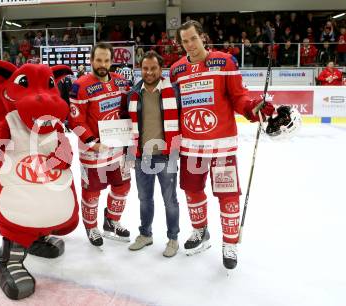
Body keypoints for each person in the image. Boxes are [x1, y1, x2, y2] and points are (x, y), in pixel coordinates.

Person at [170, 20, 274, 269]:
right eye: (184, 41)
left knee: (228, 195)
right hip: (191, 148)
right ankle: (201, 232)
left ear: (202, 37)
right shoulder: (176, 70)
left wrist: (252, 108)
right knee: (193, 192)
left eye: (193, 38)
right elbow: (174, 109)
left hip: (221, 146)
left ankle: (230, 244)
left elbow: (239, 98)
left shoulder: (223, 62)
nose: (190, 45)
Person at [68, 42, 131, 247]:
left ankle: (112, 220)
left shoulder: (121, 82)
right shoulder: (80, 85)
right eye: (98, 60)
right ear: (91, 60)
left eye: (106, 60)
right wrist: (92, 143)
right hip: (93, 151)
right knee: (92, 191)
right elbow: (75, 122)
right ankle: (91, 226)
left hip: (118, 148)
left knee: (122, 186)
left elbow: (127, 110)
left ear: (112, 61)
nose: (102, 64)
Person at [125, 50, 180, 257]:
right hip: (142, 157)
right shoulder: (133, 93)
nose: (149, 72)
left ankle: (173, 239)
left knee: (170, 201)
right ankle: (146, 234)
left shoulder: (173, 92)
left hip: (167, 156)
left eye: (153, 68)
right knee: (144, 199)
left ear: (160, 69)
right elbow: (127, 126)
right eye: (145, 68)